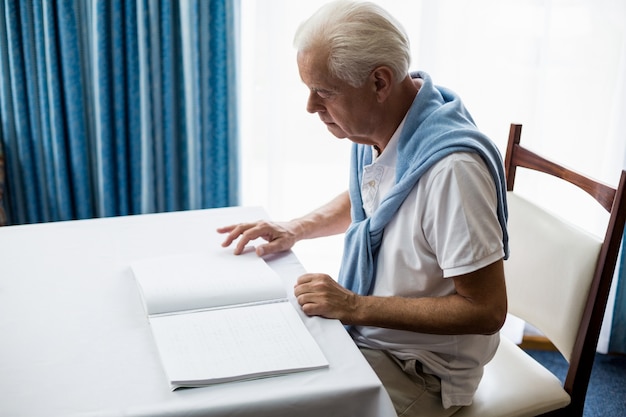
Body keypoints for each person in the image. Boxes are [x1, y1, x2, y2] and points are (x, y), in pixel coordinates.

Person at [218, 1, 509, 416]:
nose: (310, 106)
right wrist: (296, 227)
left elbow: (486, 310)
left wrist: (353, 306)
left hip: (421, 370)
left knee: (266, 405)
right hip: (373, 338)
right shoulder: (392, 126)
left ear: (379, 82)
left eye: (324, 91)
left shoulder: (453, 172)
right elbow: (374, 197)